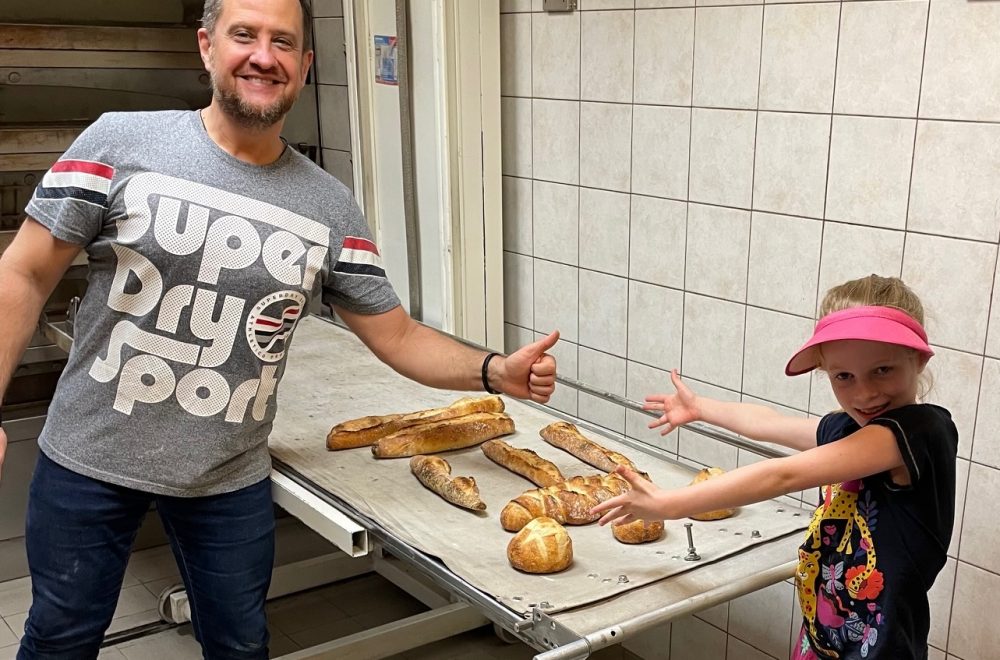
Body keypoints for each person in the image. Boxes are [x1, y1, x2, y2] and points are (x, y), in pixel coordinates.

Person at [0, 0, 558, 657]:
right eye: (245, 36)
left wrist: (494, 369)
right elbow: (24, 275)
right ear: (207, 47)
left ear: (303, 65)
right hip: (89, 458)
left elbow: (397, 335)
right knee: (60, 640)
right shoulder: (118, 142)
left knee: (240, 647)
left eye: (283, 43)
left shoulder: (327, 204)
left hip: (226, 476)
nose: (264, 55)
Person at [592, 275, 957, 660]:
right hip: (822, 640)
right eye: (843, 376)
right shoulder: (850, 429)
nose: (864, 393)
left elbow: (784, 473)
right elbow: (771, 423)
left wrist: (669, 505)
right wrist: (701, 409)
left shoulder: (918, 432)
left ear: (918, 358)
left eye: (882, 370)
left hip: (882, 651)